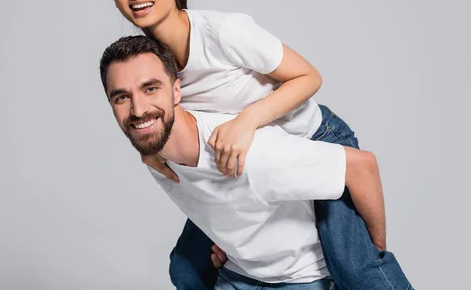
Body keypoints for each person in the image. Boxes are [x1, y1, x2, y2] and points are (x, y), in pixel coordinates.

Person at [103, 0, 411, 289]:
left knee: (357, 269)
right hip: (250, 167)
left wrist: (246, 122)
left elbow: (308, 77)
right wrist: (153, 151)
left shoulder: (223, 32)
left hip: (314, 138)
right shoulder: (150, 63)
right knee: (187, 269)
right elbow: (149, 112)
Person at [99, 36, 413, 289]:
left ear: (177, 91)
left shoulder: (250, 154)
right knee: (183, 269)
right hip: (241, 274)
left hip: (299, 279)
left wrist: (373, 253)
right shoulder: (154, 149)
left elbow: (361, 166)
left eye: (150, 88)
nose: (139, 109)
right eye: (121, 97)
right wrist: (226, 239)